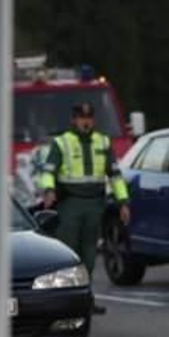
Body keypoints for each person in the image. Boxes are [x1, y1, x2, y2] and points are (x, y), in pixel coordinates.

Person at [37, 102, 130, 278]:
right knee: (68, 249)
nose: (85, 122)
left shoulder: (103, 142)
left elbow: (115, 176)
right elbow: (48, 171)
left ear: (93, 120)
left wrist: (123, 202)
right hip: (70, 204)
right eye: (81, 118)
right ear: (73, 120)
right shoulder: (62, 142)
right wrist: (49, 190)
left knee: (89, 251)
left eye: (89, 118)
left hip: (95, 204)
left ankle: (85, 289)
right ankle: (66, 288)